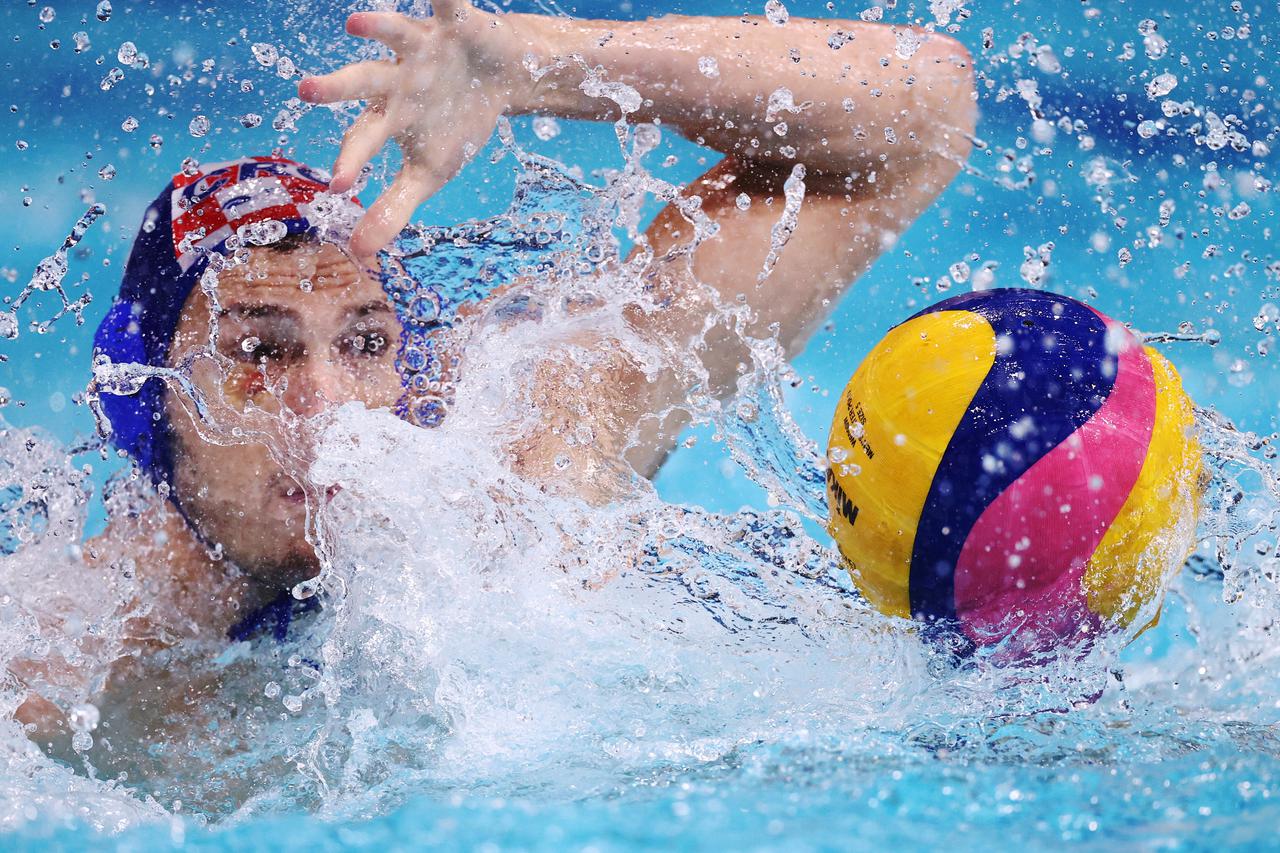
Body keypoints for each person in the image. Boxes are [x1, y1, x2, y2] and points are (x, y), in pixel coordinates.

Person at [12, 3, 974, 757]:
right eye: (260, 353)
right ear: (147, 393)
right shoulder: (55, 659)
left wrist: (532, 66)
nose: (330, 408)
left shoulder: (518, 468)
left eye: (363, 342)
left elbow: (924, 111)